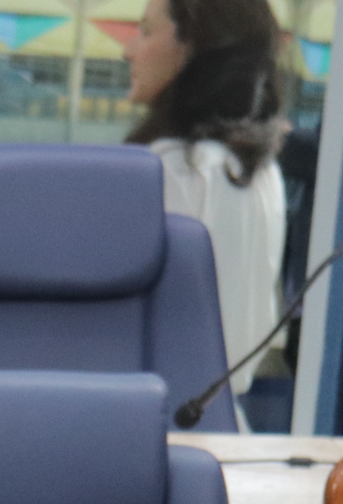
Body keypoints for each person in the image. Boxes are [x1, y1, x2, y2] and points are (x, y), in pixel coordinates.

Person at [123, 0, 287, 407]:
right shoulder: (261, 173)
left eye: (147, 31)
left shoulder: (173, 170)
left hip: (156, 420)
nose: (129, 50)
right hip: (225, 419)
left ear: (193, 48)